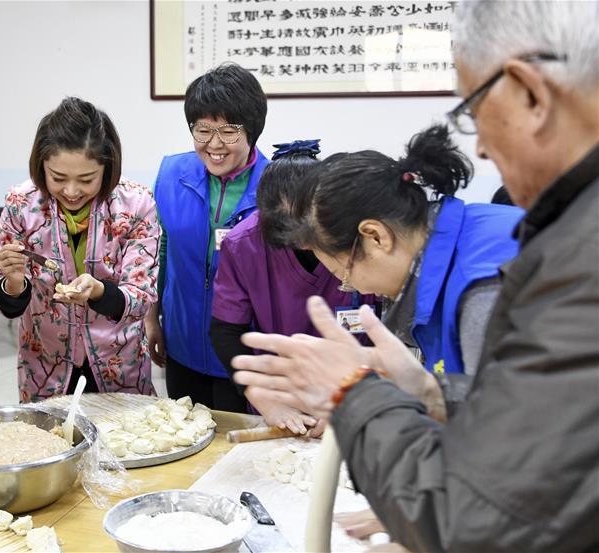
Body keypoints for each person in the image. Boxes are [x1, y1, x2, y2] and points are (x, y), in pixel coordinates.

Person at [232, 1, 599, 551]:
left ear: (528, 92)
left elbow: (483, 516)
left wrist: (352, 394)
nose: (480, 146)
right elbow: (536, 429)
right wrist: (431, 394)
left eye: (475, 110)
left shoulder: (496, 282)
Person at [289, 125, 523, 416]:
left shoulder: (483, 290)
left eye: (345, 275)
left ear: (375, 237)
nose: (358, 289)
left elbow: (508, 431)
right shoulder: (463, 231)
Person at [0, 97, 159, 402]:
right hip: (45, 366)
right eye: (57, 178)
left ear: (107, 168)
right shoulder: (22, 204)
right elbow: (7, 304)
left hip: (119, 364)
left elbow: (141, 297)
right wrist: (13, 282)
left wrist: (98, 292)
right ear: (40, 165)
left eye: (86, 180)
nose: (70, 191)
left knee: (122, 444)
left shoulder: (135, 205)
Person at [210, 139, 376, 435]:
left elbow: (384, 334)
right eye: (283, 225)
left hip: (356, 393)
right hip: (278, 392)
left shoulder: (355, 239)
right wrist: (262, 397)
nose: (299, 238)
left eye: (305, 223)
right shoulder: (243, 244)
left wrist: (352, 399)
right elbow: (226, 332)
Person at [147, 63, 269, 411]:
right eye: (202, 131)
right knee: (187, 440)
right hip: (182, 341)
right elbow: (162, 248)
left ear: (252, 131)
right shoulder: (172, 173)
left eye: (229, 132)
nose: (214, 145)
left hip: (244, 351)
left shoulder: (275, 187)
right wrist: (151, 316)